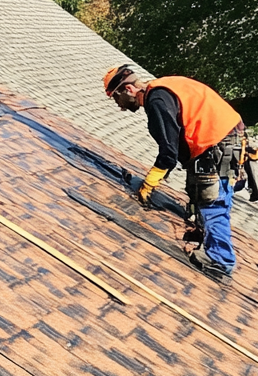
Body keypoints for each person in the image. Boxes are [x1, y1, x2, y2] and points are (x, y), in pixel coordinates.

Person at [103, 64, 244, 279]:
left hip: (217, 143)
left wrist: (150, 183)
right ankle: (206, 233)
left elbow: (169, 151)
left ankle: (220, 259)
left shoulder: (157, 100)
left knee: (212, 201)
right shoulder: (163, 87)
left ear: (129, 90)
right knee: (197, 189)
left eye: (116, 98)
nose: (119, 106)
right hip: (221, 140)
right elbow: (179, 141)